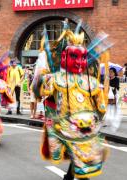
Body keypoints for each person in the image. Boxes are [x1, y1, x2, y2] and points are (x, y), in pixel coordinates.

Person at [32, 19, 110, 180]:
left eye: (82, 57)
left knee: (85, 157)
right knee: (82, 160)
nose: (80, 61)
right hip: (67, 125)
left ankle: (69, 176)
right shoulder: (56, 79)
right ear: (64, 57)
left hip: (88, 127)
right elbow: (40, 92)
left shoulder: (91, 82)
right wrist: (40, 77)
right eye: (74, 56)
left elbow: (100, 107)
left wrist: (101, 106)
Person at [105, 67, 121, 131]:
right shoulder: (108, 79)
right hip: (108, 96)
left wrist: (110, 87)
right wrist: (106, 82)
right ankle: (107, 122)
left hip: (114, 95)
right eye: (109, 71)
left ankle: (114, 122)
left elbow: (117, 87)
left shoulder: (116, 79)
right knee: (108, 108)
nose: (110, 73)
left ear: (114, 73)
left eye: (111, 72)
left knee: (114, 109)